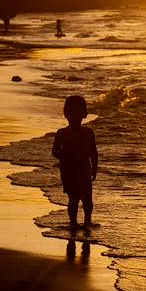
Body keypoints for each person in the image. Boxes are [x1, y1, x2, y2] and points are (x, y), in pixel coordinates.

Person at [51, 95, 98, 229]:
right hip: (69, 171)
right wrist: (65, 157)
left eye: (78, 112)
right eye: (72, 113)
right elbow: (54, 151)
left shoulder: (88, 133)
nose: (75, 116)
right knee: (73, 198)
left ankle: (87, 222)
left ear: (84, 114)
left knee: (87, 199)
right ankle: (73, 223)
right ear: (66, 114)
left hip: (85, 170)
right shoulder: (62, 133)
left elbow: (93, 152)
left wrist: (95, 168)